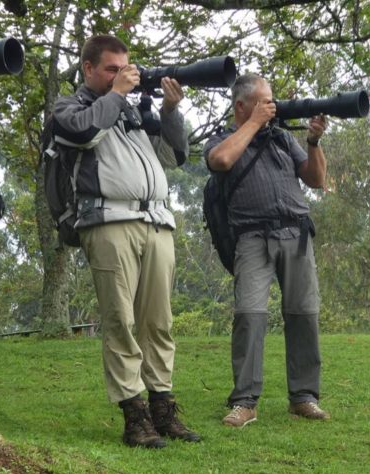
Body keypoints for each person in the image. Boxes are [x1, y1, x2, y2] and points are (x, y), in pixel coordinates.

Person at [51, 34, 199, 448]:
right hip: (108, 220)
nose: (122, 76)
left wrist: (169, 110)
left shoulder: (134, 112)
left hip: (156, 219)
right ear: (88, 69)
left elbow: (173, 156)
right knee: (120, 320)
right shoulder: (70, 108)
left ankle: (162, 407)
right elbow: (82, 134)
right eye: (112, 69)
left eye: (125, 68)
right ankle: (134, 415)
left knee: (159, 322)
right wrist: (117, 94)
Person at [203, 73, 330, 428]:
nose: (271, 108)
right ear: (241, 106)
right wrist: (254, 123)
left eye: (271, 101)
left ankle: (304, 397)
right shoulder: (221, 139)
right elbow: (222, 161)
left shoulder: (281, 139)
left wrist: (314, 142)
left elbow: (316, 180)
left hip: (297, 232)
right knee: (249, 315)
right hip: (251, 237)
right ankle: (245, 401)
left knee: (304, 314)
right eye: (263, 102)